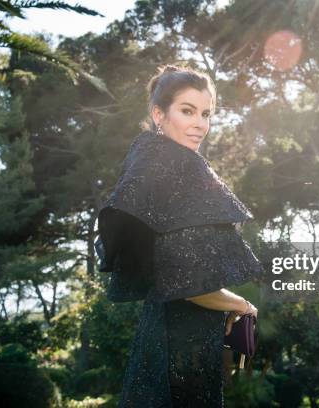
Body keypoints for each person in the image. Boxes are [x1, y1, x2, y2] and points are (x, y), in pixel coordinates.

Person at [95, 65, 263, 407]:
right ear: (159, 114)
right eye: (187, 111)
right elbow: (189, 285)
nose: (200, 124)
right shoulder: (174, 168)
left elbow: (176, 277)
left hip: (163, 337)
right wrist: (243, 306)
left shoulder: (148, 162)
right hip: (179, 348)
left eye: (206, 113)